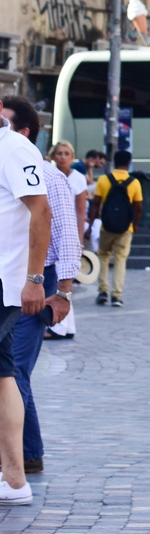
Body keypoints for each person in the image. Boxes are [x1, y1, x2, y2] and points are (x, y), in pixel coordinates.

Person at [1, 99, 77, 475]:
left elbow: (64, 234)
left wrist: (61, 291)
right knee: (8, 371)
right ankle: (20, 459)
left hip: (34, 279)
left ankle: (26, 456)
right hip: (17, 276)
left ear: (22, 131)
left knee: (14, 372)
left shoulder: (44, 173)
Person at [0, 110, 52, 505]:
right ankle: (13, 479)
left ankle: (16, 478)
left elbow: (42, 210)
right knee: (3, 375)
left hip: (3, 281)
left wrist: (36, 280)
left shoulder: (14, 147)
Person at [46, 141, 88, 339]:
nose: (63, 157)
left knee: (63, 283)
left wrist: (77, 240)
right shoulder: (47, 175)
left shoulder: (78, 178)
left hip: (68, 232)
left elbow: (80, 212)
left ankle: (60, 326)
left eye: (67, 153)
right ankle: (63, 326)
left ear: (72, 156)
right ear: (54, 156)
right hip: (50, 229)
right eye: (59, 153)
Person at [93, 151, 143, 306]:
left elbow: (96, 203)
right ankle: (117, 295)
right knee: (120, 259)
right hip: (125, 228)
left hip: (106, 226)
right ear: (128, 163)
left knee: (103, 256)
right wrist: (134, 225)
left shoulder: (103, 180)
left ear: (114, 162)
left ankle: (102, 291)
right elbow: (138, 207)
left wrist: (91, 222)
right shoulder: (134, 182)